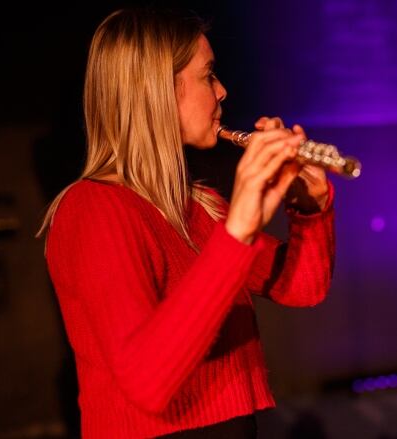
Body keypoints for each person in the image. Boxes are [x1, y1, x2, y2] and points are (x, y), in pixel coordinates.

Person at [36, 7, 335, 438]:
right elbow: (148, 380)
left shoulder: (196, 207)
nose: (223, 91)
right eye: (208, 75)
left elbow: (302, 287)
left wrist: (310, 208)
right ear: (157, 89)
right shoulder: (92, 210)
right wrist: (239, 232)